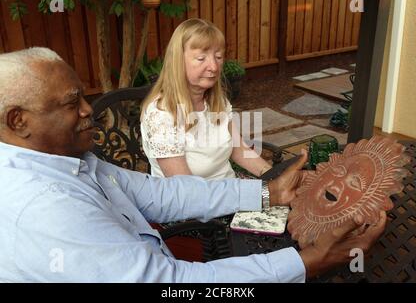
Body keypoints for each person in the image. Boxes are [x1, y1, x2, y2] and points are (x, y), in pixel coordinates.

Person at [0, 47, 386, 282]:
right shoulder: (47, 207)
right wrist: (305, 263)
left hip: (208, 215)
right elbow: (171, 282)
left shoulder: (70, 160)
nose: (89, 110)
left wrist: (267, 192)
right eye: (72, 103)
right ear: (19, 121)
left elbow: (161, 193)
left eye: (218, 56)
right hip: (193, 239)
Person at [140, 18, 273, 180]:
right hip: (190, 202)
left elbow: (239, 151)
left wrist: (275, 175)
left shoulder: (217, 102)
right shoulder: (162, 114)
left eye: (218, 57)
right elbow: (185, 187)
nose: (214, 67)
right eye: (201, 58)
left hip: (229, 190)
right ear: (178, 61)